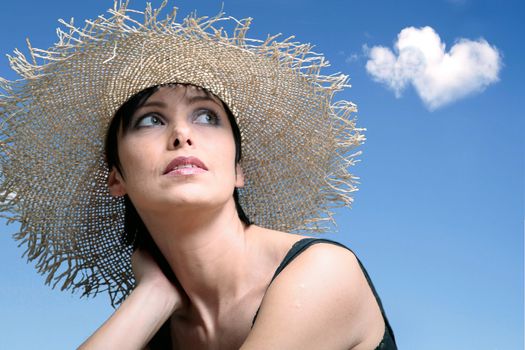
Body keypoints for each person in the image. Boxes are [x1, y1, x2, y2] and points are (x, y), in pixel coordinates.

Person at [0, 3, 396, 349]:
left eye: (206, 116)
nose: (181, 134)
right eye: (150, 120)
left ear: (239, 170)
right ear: (116, 177)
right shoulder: (159, 327)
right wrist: (153, 296)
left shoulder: (320, 272)